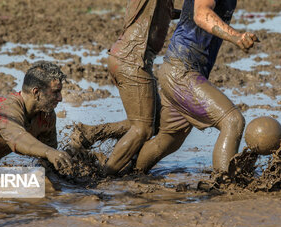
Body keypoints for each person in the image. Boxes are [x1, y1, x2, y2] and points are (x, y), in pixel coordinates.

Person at [134, 0, 259, 173]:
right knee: (232, 121)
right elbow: (201, 14)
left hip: (183, 73)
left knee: (170, 139)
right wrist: (236, 37)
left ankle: (132, 173)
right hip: (181, 72)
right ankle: (226, 188)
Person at [96, 0, 180, 175]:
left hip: (126, 57)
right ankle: (104, 176)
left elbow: (162, 15)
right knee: (143, 129)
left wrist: (189, 15)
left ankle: (89, 134)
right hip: (133, 60)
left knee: (155, 122)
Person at [0, 61, 72, 180]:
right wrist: (49, 152)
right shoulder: (5, 110)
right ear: (36, 92)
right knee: (40, 188)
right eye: (55, 92)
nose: (60, 98)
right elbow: (18, 139)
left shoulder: (46, 115)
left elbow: (49, 158)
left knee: (44, 185)